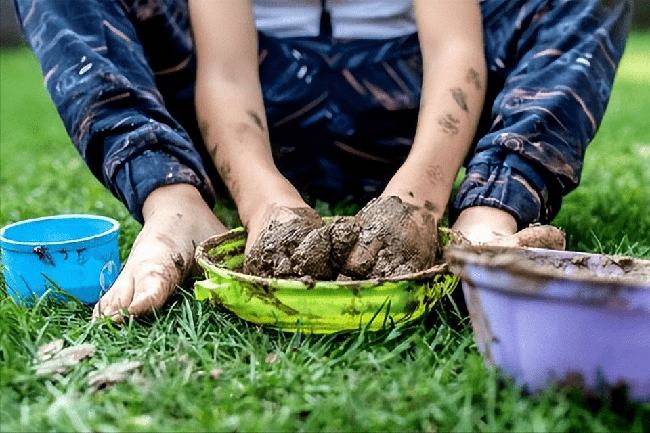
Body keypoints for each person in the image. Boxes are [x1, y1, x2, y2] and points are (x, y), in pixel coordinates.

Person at [13, 0, 631, 321]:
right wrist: (264, 201)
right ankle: (177, 206)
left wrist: (419, 199)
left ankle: (487, 219)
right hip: (255, 98)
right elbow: (225, 74)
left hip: (407, 102)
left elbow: (456, 48)